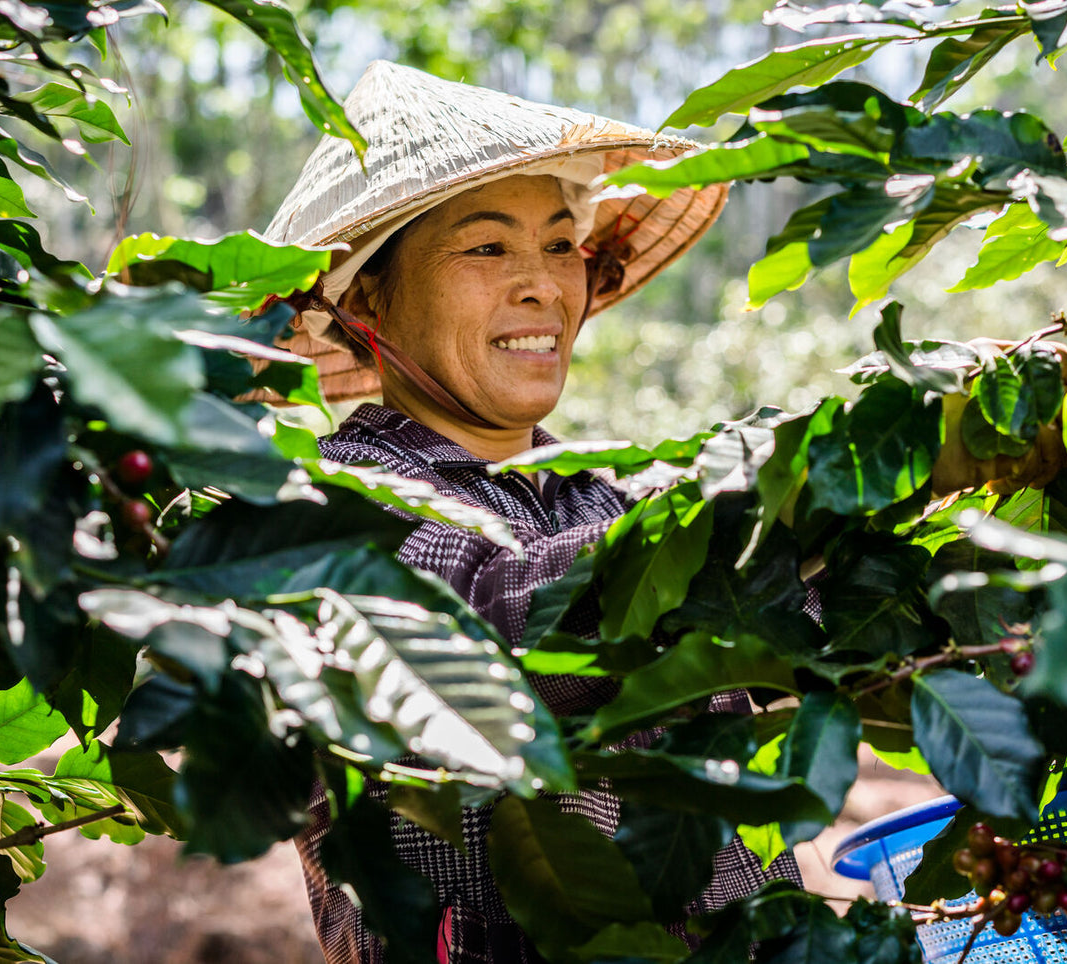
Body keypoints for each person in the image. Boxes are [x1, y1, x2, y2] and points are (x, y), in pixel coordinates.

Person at [262, 61, 804, 963]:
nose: (542, 286)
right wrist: (784, 487)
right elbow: (509, 621)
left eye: (560, 246)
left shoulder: (596, 489)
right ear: (364, 297)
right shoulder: (327, 509)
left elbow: (778, 634)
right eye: (486, 248)